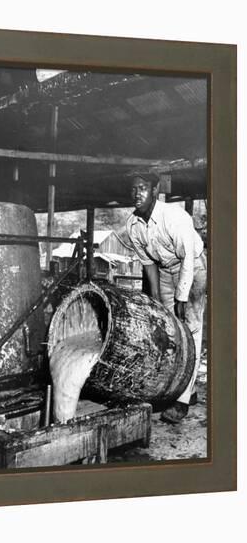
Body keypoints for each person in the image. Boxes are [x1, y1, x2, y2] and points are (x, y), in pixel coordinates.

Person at [126, 169, 207, 423]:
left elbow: (187, 260)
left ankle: (181, 402)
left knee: (190, 328)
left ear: (154, 190)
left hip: (192, 267)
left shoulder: (174, 216)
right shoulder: (133, 225)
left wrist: (182, 297)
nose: (136, 193)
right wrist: (157, 301)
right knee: (171, 329)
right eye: (133, 188)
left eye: (142, 188)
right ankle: (187, 388)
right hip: (164, 269)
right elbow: (149, 264)